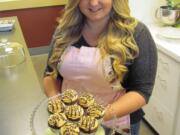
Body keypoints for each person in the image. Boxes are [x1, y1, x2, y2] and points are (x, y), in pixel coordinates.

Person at [43, 0, 157, 135]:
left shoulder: (136, 33)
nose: (94, 3)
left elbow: (142, 91)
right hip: (71, 122)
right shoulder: (64, 30)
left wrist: (96, 115)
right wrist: (56, 101)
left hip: (117, 123)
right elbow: (50, 74)